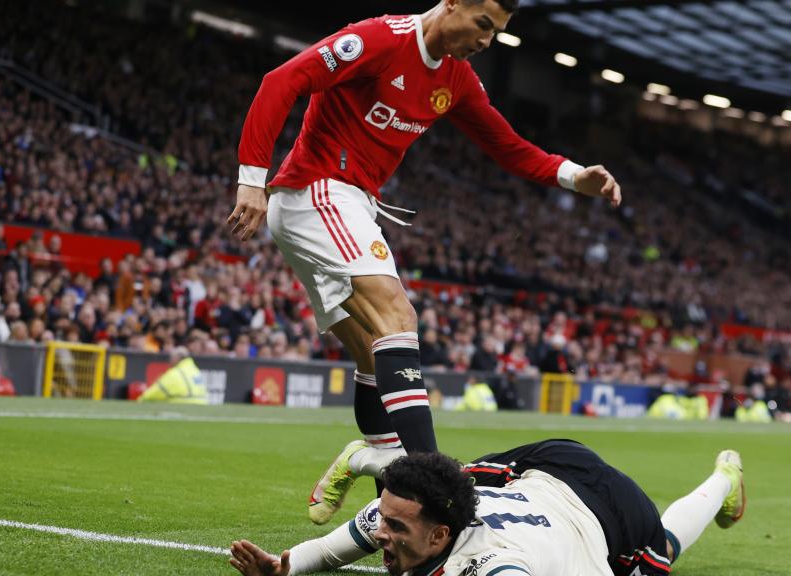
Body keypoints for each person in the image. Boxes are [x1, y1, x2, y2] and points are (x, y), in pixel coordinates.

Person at [227, 0, 622, 524]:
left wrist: (575, 176)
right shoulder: (378, 40)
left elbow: (509, 147)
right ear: (452, 4)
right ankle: (440, 491)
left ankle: (375, 470)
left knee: (372, 351)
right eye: (483, 24)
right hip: (317, 190)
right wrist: (251, 178)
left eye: (497, 33)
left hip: (343, 202)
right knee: (399, 318)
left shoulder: (457, 79)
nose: (487, 40)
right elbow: (281, 80)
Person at [228, 439, 745, 575]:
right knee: (438, 477)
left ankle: (724, 478)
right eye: (382, 520)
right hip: (546, 466)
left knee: (665, 551)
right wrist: (284, 567)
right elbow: (326, 551)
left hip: (612, 516)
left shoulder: (493, 564)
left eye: (392, 527)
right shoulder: (406, 515)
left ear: (440, 539)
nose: (380, 534)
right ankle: (368, 458)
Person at [136, 346, 208, 404]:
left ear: (177, 358)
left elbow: (155, 391)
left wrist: (141, 400)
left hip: (183, 404)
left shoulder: (175, 373)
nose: (169, 361)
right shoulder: (195, 371)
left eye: (171, 357)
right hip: (202, 405)